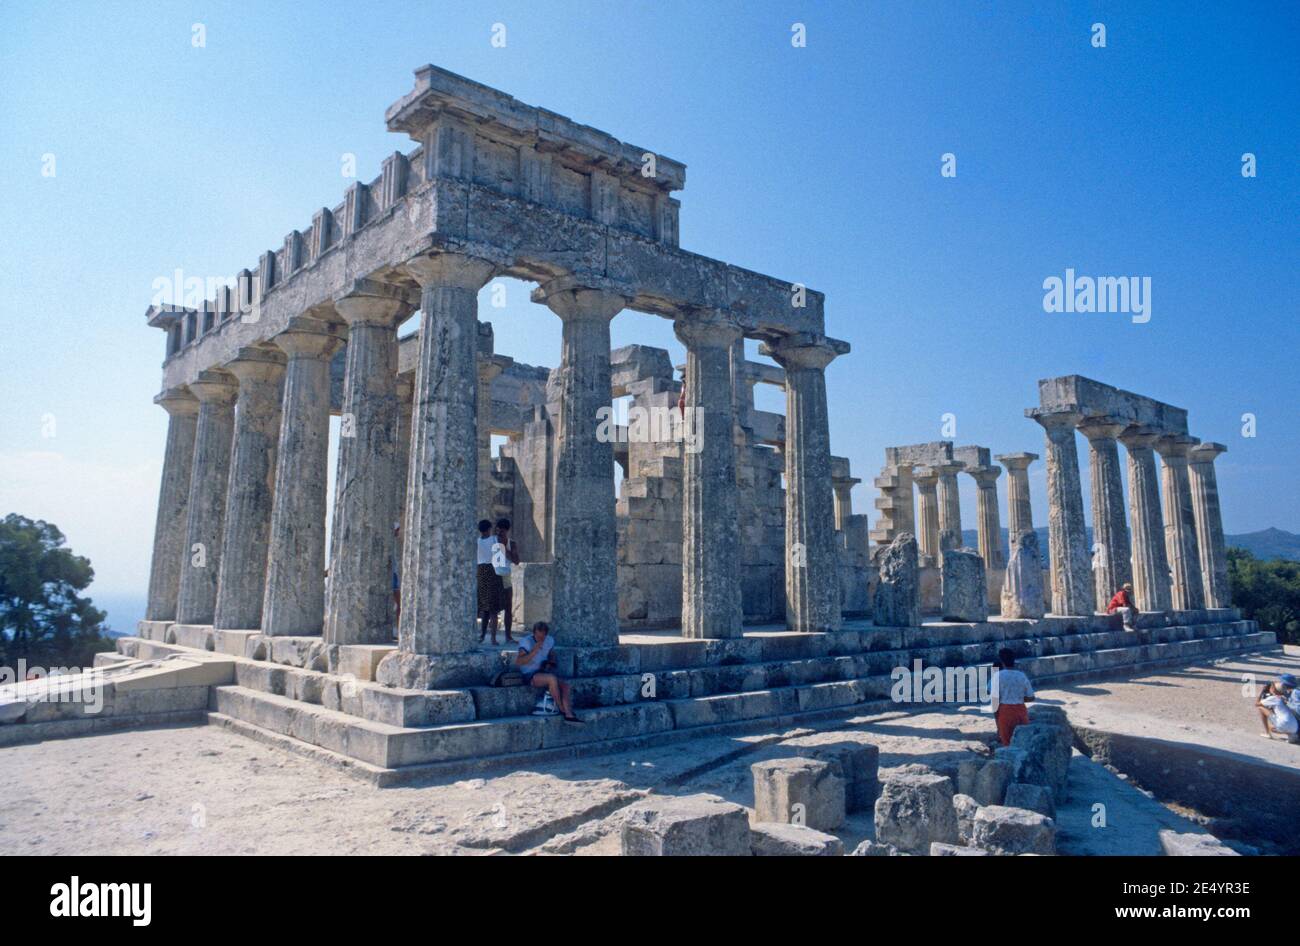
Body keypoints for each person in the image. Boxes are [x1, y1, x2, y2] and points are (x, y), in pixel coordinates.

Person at [515, 621, 581, 723]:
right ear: (534, 633)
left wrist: (551, 662)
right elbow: (519, 661)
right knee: (552, 679)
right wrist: (534, 651)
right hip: (529, 675)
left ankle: (569, 713)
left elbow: (551, 654)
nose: (540, 639)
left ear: (546, 634)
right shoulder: (526, 642)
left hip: (542, 671)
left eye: (543, 637)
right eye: (538, 636)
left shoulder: (549, 640)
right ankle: (562, 709)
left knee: (565, 686)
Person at [991, 648, 1035, 747]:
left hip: (1005, 712)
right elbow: (1031, 697)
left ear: (1002, 661)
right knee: (1023, 742)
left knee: (1007, 743)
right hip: (1021, 710)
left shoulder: (997, 676)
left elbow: (995, 701)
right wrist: (1018, 698)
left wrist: (997, 720)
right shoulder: (1021, 675)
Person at [492, 518, 521, 645]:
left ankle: (508, 637)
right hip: (493, 576)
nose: (499, 533)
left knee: (508, 608)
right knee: (493, 609)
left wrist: (504, 547)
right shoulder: (491, 541)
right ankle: (493, 638)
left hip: (506, 576)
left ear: (507, 531)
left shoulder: (511, 543)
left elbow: (516, 561)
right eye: (497, 530)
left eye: (502, 531)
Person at [476, 519, 504, 645]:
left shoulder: (476, 541)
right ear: (488, 529)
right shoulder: (494, 540)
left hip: (481, 572)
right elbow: (500, 559)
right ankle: (493, 638)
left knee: (484, 608)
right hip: (492, 571)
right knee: (493, 609)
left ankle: (482, 635)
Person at [1256, 674, 1299, 741]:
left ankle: (1268, 734)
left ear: (1285, 684)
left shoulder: (1295, 693)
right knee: (1272, 728)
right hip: (1295, 725)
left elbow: (1257, 704)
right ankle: (1293, 735)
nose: (1280, 683)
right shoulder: (1289, 693)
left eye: (1281, 682)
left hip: (1296, 721)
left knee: (1261, 708)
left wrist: (1262, 692)